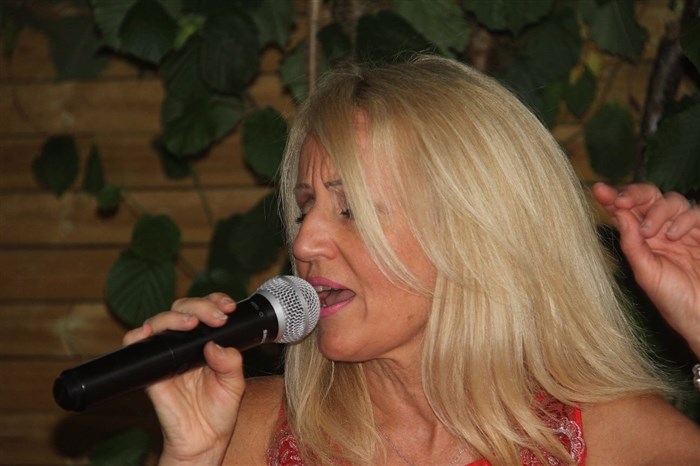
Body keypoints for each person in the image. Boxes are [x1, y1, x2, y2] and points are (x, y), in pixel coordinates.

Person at [124, 55, 700, 465]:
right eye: (305, 208)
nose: (304, 244)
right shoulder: (245, 430)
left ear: (475, 231)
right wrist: (192, 458)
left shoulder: (618, 441)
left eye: (350, 210)